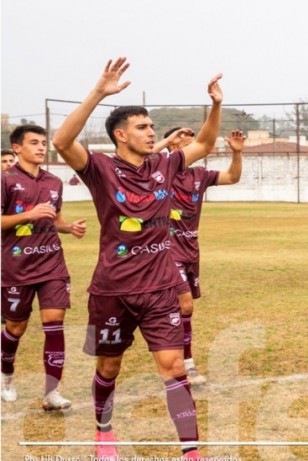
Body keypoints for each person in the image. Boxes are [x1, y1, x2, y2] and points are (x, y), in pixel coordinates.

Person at [51, 57, 224, 460]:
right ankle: (103, 434)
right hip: (110, 292)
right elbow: (61, 142)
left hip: (162, 289)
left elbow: (205, 144)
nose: (151, 133)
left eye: (150, 126)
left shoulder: (166, 163)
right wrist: (99, 92)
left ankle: (191, 451)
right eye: (143, 128)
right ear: (120, 135)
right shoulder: (100, 169)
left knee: (174, 368)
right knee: (108, 369)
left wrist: (214, 105)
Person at [1, 125, 87, 410]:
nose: (41, 147)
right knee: (15, 326)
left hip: (52, 265)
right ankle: (6, 375)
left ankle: (52, 392)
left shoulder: (54, 182)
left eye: (43, 143)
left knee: (54, 324)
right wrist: (29, 213)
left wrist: (68, 227)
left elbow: (55, 220)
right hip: (16, 267)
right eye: (34, 143)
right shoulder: (5, 180)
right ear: (17, 148)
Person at [156, 126, 245, 386]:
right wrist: (164, 143)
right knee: (185, 305)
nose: (193, 145)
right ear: (173, 147)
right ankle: (186, 364)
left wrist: (237, 154)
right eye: (184, 141)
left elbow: (232, 177)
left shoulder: (200, 175)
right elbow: (142, 157)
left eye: (193, 141)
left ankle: (171, 355)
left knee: (178, 309)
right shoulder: (160, 171)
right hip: (166, 248)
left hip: (191, 248)